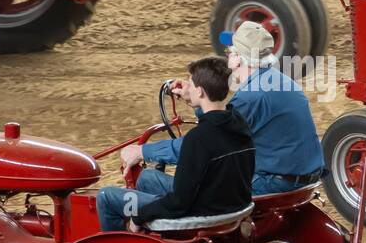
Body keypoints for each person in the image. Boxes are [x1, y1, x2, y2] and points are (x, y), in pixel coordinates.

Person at [120, 21, 325, 197]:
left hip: (275, 184)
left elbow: (204, 146)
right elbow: (221, 124)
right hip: (302, 181)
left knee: (149, 179)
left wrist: (143, 151)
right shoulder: (278, 81)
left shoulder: (252, 96)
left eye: (229, 52)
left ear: (238, 58)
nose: (227, 56)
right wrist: (197, 101)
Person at [96, 57, 254, 231]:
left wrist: (139, 217)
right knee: (146, 178)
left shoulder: (198, 138)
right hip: (229, 203)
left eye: (190, 83)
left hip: (199, 211)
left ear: (200, 92)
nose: (188, 86)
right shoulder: (239, 122)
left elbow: (179, 202)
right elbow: (212, 117)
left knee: (106, 196)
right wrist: (191, 99)